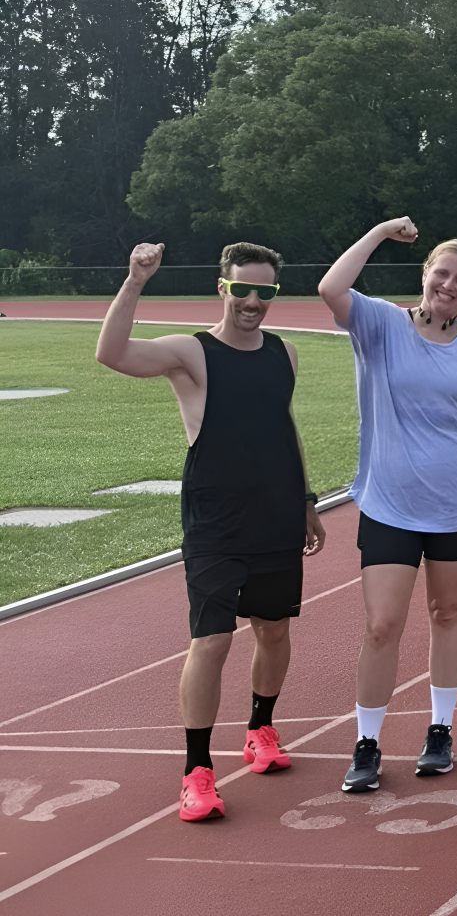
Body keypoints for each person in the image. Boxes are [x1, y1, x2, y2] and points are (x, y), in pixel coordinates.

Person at [96, 242, 325, 822]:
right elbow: (112, 353)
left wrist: (305, 500)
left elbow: (285, 426)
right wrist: (135, 282)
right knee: (213, 640)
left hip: (276, 514)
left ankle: (261, 730)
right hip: (216, 522)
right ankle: (197, 772)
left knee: (274, 631)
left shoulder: (285, 354)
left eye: (265, 291)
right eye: (242, 289)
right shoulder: (192, 353)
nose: (253, 301)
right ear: (222, 288)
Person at [318, 220, 457, 792]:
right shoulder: (380, 324)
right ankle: (368, 742)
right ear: (425, 273)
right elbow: (331, 289)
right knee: (382, 624)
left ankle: (440, 731)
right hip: (389, 503)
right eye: (442, 273)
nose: (450, 285)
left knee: (447, 615)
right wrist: (378, 233)